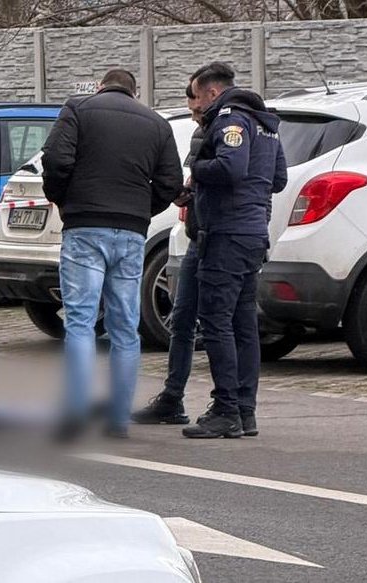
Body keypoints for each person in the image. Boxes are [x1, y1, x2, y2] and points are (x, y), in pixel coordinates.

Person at [42, 68, 184, 439]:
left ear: (100, 87)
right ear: (135, 92)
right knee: (125, 327)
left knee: (80, 321)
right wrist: (141, 210)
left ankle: (75, 412)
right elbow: (170, 181)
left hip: (84, 226)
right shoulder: (157, 123)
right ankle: (119, 419)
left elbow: (55, 159)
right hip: (131, 231)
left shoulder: (77, 109)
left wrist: (63, 199)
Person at [181, 62, 287, 439]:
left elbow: (231, 167)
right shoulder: (265, 123)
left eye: (198, 96)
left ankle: (226, 409)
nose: (198, 105)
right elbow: (278, 179)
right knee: (243, 325)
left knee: (216, 321)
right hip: (253, 233)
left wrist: (197, 172)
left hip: (226, 234)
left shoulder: (231, 119)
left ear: (212, 91)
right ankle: (245, 411)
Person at [131, 83, 204, 426]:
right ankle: (172, 399)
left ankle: (233, 408)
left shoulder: (232, 129)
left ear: (211, 95)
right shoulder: (203, 132)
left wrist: (196, 181)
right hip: (197, 239)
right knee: (182, 319)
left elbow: (248, 175)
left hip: (225, 241)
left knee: (225, 326)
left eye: (196, 109)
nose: (194, 116)